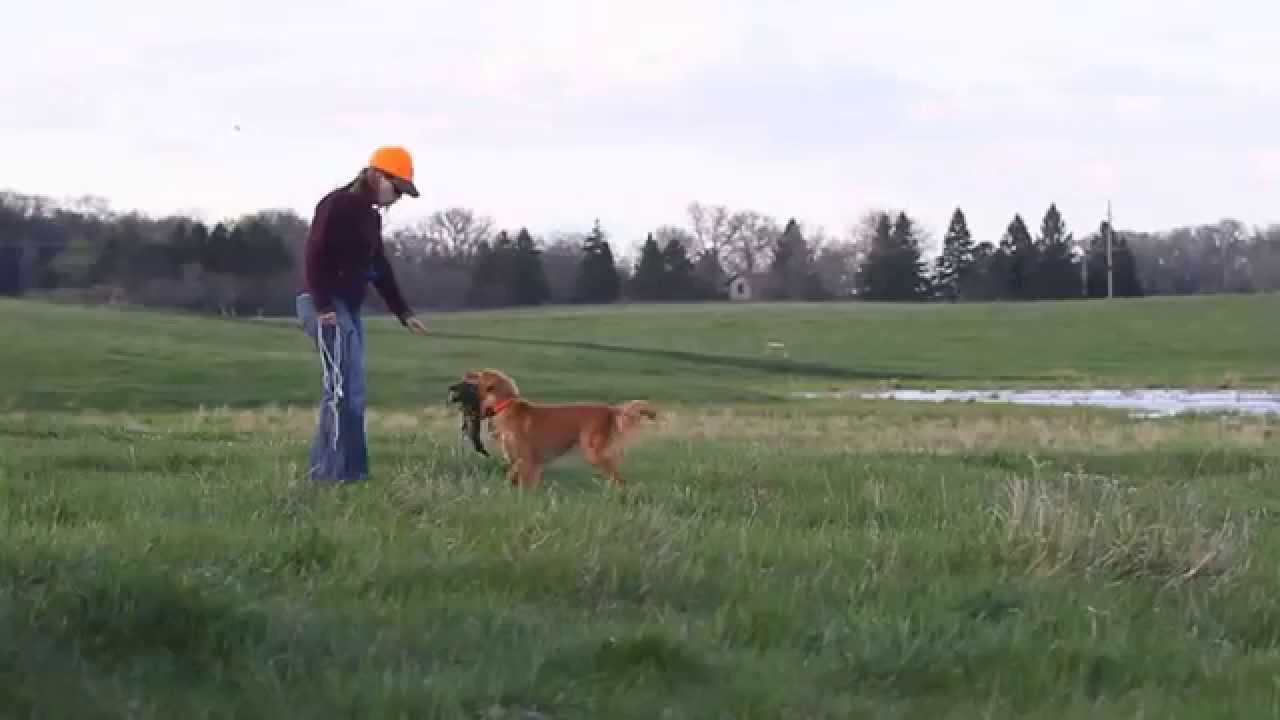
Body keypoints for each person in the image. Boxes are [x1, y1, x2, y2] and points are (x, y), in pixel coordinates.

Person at [295, 145, 429, 483]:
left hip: (348, 306)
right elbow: (314, 255)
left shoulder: (370, 216)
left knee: (353, 393)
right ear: (377, 175)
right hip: (324, 304)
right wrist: (324, 306)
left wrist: (403, 312)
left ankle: (353, 474)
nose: (396, 198)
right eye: (396, 189)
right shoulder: (337, 205)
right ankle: (329, 476)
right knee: (339, 391)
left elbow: (378, 266)